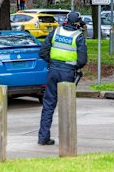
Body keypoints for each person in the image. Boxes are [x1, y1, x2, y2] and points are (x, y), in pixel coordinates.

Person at [37, 11, 87, 145]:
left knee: (48, 104)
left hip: (53, 71)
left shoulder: (56, 32)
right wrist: (73, 66)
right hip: (68, 72)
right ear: (77, 23)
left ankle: (43, 137)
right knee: (67, 105)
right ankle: (67, 139)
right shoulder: (78, 36)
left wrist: (52, 62)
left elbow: (42, 52)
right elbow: (82, 60)